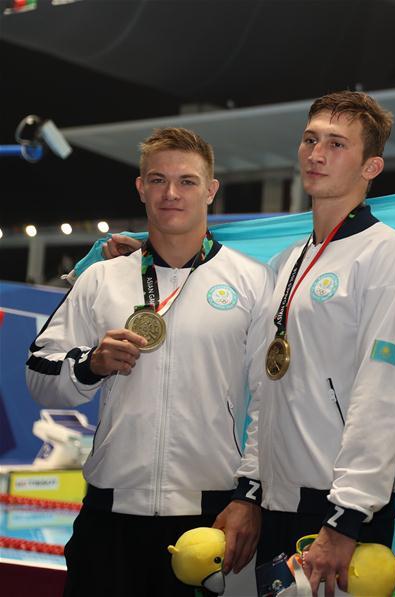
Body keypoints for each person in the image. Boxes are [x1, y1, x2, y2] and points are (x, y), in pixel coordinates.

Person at [26, 127, 272, 596]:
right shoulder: (101, 279)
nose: (171, 193)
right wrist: (89, 364)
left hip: (211, 517)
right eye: (158, 180)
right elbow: (38, 373)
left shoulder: (252, 280)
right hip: (110, 516)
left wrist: (249, 497)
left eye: (187, 181)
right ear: (141, 188)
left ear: (211, 190)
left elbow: (271, 400)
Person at [243, 91, 395, 597]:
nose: (316, 154)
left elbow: (382, 393)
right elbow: (265, 388)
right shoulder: (286, 262)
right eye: (310, 139)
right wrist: (250, 488)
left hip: (338, 514)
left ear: (371, 166)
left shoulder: (386, 254)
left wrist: (346, 516)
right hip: (277, 506)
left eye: (336, 144)